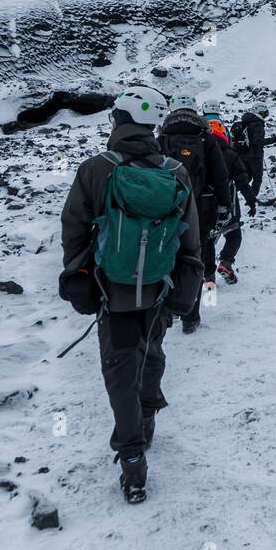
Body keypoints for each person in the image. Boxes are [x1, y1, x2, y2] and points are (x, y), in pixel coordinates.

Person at [59, 86, 203, 503]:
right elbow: (189, 237)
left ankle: (133, 460)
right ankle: (147, 415)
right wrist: (188, 287)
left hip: (112, 291)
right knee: (152, 348)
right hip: (160, 287)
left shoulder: (95, 169)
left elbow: (75, 230)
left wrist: (78, 278)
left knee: (119, 370)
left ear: (119, 121)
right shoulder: (175, 171)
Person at [158, 94, 230, 333]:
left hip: (167, 207)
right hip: (202, 207)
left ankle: (167, 309)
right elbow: (220, 176)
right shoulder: (206, 138)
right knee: (194, 258)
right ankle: (190, 316)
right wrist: (225, 205)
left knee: (166, 254)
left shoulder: (163, 138)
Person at [202, 101, 258, 284]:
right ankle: (226, 261)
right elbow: (242, 180)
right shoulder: (230, 154)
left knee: (207, 239)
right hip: (229, 202)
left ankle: (208, 277)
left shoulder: (200, 152)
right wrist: (251, 200)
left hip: (203, 202)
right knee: (234, 234)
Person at [231, 102, 270, 198]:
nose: (266, 115)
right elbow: (258, 142)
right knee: (257, 178)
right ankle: (252, 199)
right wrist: (273, 140)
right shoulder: (258, 123)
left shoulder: (246, 121)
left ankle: (230, 192)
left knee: (246, 177)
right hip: (255, 156)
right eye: (265, 113)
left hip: (243, 154)